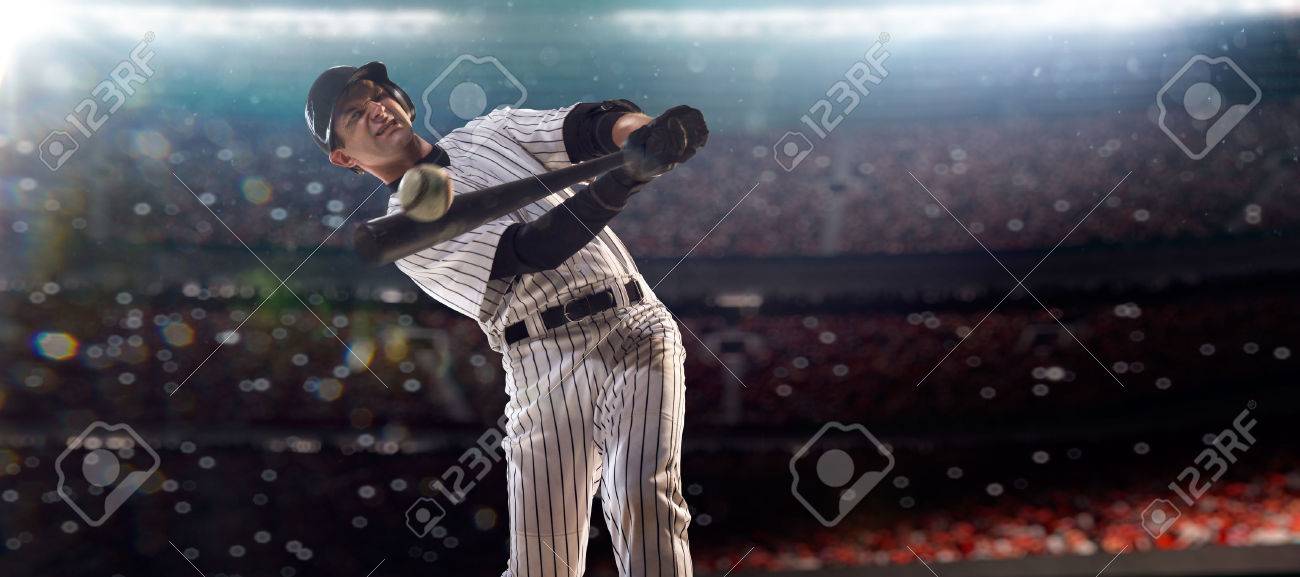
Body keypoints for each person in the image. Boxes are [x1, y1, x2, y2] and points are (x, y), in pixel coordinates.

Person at [306, 61, 708, 577]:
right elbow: (534, 249)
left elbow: (590, 126)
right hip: (543, 363)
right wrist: (623, 180)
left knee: (642, 495)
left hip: (635, 326)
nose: (375, 111)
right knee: (543, 561)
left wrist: (645, 135)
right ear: (343, 158)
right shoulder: (403, 236)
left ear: (402, 99)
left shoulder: (491, 131)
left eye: (376, 96)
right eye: (354, 115)